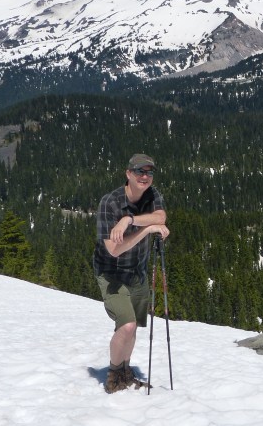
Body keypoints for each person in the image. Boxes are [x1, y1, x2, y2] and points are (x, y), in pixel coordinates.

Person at [93, 154, 170, 393]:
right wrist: (145, 230)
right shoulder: (110, 202)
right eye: (139, 172)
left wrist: (129, 220)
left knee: (133, 326)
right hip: (112, 273)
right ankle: (114, 375)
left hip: (137, 272)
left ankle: (125, 371)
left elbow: (161, 217)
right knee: (126, 325)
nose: (145, 177)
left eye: (149, 172)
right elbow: (114, 250)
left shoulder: (152, 195)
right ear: (128, 174)